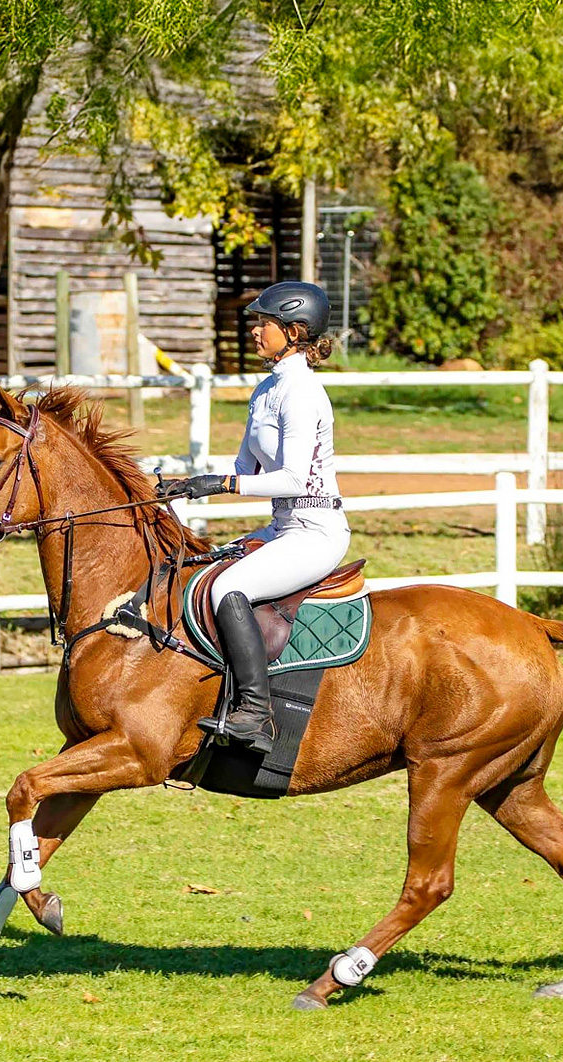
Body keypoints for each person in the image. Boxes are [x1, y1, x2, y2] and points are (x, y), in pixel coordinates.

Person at [161, 281, 351, 754]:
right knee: (201, 572)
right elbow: (245, 469)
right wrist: (190, 484)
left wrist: (222, 485)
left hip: (316, 532)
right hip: (284, 528)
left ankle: (255, 713)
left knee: (228, 588)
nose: (254, 331)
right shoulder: (267, 389)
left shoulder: (302, 392)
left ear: (295, 331)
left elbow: (293, 480)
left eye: (264, 323)